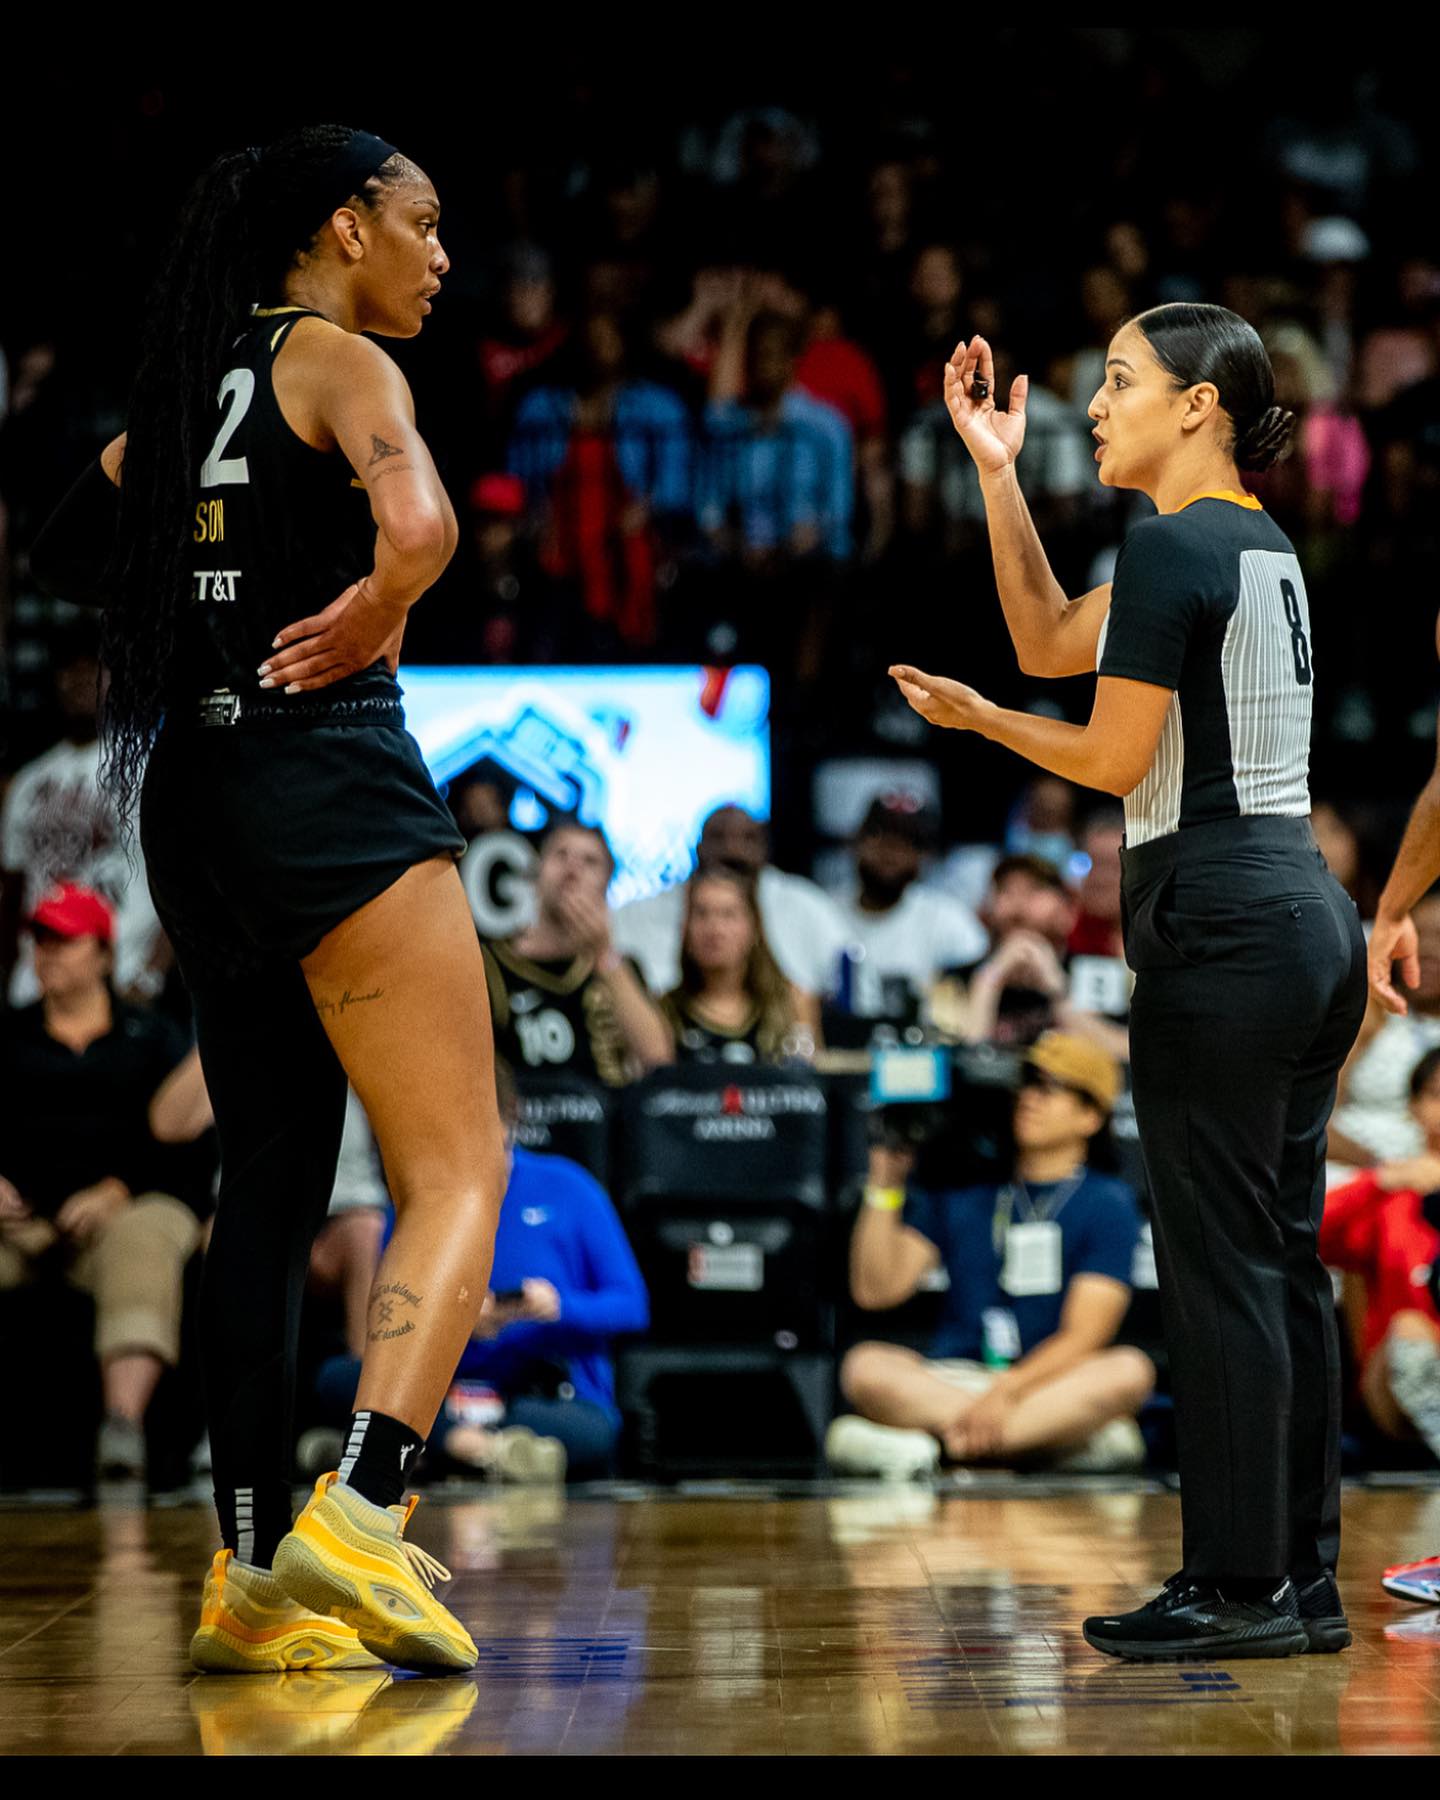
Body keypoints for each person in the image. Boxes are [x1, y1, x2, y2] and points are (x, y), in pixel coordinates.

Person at [29, 125, 508, 1674]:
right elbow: (423, 529)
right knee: (458, 1168)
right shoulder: (341, 366)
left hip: (196, 804)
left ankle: (244, 1580)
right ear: (343, 225)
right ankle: (361, 1519)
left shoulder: (189, 382)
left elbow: (67, 535)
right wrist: (374, 605)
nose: (441, 256)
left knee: (270, 1185)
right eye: (422, 225)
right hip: (328, 782)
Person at [890, 307, 1367, 1661]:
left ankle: (1236, 1586)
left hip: (1221, 921)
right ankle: (1301, 1580)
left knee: (1220, 1271)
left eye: (1118, 383)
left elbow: (1106, 755)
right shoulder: (1254, 544)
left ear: (1200, 406)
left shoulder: (1170, 543)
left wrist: (983, 723)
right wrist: (994, 474)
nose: (1091, 408)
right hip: (1301, 918)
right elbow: (1050, 636)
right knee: (1279, 1266)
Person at [830, 1033, 1153, 1480]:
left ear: (1091, 1115)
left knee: (1128, 1371)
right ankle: (1035, 1446)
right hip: (957, 1379)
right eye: (1027, 1083)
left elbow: (1085, 1336)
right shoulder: (967, 1186)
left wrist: (1008, 1392)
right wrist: (885, 1182)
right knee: (864, 1366)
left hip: (1044, 1383)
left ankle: (937, 1449)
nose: (1029, 1098)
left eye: (1050, 1087)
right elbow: (875, 1290)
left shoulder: (1108, 1201)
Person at [0, 882, 206, 1481]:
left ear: (104, 956)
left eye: (65, 940)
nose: (48, 953)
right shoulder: (8, 1038)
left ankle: (123, 1426)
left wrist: (118, 1189)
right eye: (40, 940)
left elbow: (187, 1143)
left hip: (123, 1213)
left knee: (145, 1239)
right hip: (22, 1222)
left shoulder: (153, 1037)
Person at [0, 635, 167, 1007]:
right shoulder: (28, 782)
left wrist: (153, 973)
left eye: (91, 668)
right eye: (68, 669)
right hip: (36, 988)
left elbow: (183, 881)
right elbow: (10, 895)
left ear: (113, 679)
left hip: (124, 980)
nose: (78, 679)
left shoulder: (145, 767)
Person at [483, 821, 673, 1085]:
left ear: (607, 884)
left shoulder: (619, 967)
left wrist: (603, 953)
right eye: (561, 855)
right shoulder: (490, 962)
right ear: (538, 872)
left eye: (590, 861)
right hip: (524, 1119)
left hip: (606, 1120)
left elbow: (657, 1059)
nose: (572, 869)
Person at [1320, 1047, 1440, 1464]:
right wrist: (1381, 1180)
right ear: (1414, 1107)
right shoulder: (1393, 1198)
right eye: (1437, 1095)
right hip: (1391, 1391)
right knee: (1410, 1328)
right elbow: (1306, 1236)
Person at [613, 803, 850, 1001]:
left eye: (748, 838)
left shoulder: (805, 904)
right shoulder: (640, 913)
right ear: (697, 849)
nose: (733, 849)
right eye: (718, 837)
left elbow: (852, 979)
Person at [831, 796, 986, 1022]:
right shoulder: (823, 911)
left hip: (922, 1052)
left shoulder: (948, 919)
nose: (892, 851)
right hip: (839, 1050)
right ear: (855, 842)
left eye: (907, 841)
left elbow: (975, 1002)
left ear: (924, 855)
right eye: (880, 836)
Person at [661, 867, 818, 1063]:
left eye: (728, 915)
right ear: (685, 928)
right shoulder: (664, 1011)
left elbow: (808, 1082)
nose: (715, 929)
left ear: (754, 926)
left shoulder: (792, 1003)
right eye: (701, 914)